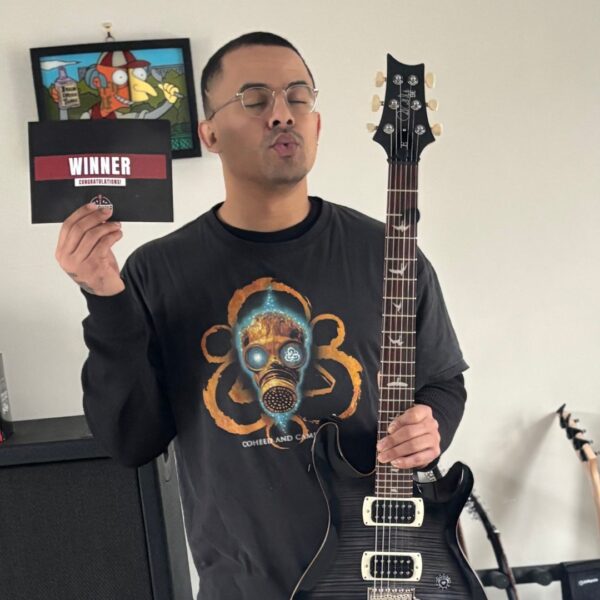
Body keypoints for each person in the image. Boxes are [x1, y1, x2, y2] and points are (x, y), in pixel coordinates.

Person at [55, 31, 469, 600]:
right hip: (245, 585)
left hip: (390, 573)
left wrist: (431, 424)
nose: (281, 114)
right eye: (254, 99)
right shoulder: (157, 270)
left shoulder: (390, 252)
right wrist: (105, 298)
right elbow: (130, 440)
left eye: (298, 97)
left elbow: (443, 381)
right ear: (209, 134)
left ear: (317, 125)